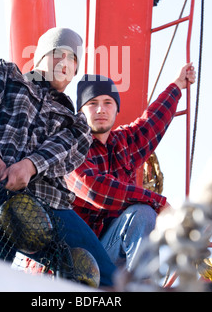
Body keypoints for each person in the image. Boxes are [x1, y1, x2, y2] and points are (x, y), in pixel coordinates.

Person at [0, 26, 117, 287]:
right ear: (40, 56)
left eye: (74, 60)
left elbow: (63, 151)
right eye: (60, 53)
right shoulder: (3, 75)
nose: (66, 63)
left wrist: (29, 166)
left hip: (48, 207)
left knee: (107, 276)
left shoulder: (76, 123)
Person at [65, 63, 196, 276]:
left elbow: (152, 122)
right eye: (92, 103)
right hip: (76, 261)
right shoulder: (70, 145)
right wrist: (158, 201)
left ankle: (141, 286)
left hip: (108, 253)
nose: (101, 110)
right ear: (81, 111)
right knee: (145, 211)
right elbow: (95, 188)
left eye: (108, 103)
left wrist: (177, 85)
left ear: (117, 109)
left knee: (143, 215)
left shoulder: (123, 143)